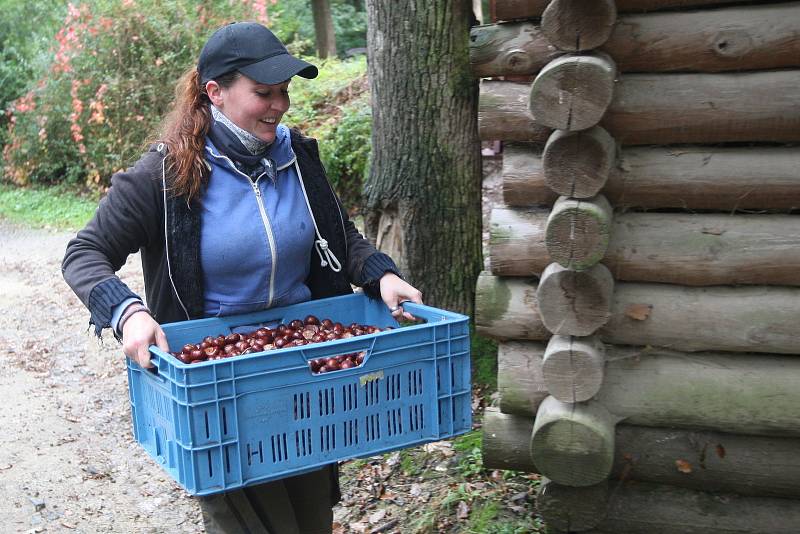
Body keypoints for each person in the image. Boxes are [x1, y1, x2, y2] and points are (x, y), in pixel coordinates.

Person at [62, 21, 422, 534]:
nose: (279, 105)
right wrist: (128, 312)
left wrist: (380, 275)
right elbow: (85, 252)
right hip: (218, 382)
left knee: (310, 516)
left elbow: (340, 238)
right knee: (249, 519)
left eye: (284, 92)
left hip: (304, 368)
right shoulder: (164, 175)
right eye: (263, 93)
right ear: (216, 92)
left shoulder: (298, 158)